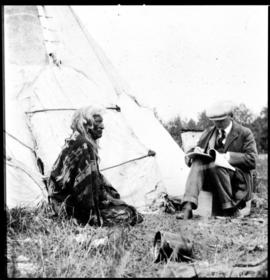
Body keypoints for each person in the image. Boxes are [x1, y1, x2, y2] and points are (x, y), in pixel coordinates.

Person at [47, 105, 143, 226]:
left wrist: (110, 198)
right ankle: (84, 219)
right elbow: (84, 188)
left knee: (119, 204)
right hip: (67, 208)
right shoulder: (84, 145)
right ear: (86, 125)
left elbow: (94, 179)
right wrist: (92, 218)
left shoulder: (78, 141)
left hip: (59, 202)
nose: (103, 126)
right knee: (129, 214)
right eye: (98, 122)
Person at [177, 100, 258, 219]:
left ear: (231, 117)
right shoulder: (209, 133)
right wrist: (192, 154)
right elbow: (195, 149)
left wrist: (227, 157)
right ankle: (188, 207)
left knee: (216, 164)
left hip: (236, 180)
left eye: (221, 120)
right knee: (199, 161)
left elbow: (252, 160)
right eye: (215, 121)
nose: (218, 124)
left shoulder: (244, 133)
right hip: (214, 177)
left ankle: (230, 209)